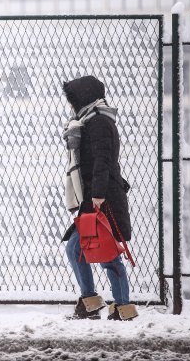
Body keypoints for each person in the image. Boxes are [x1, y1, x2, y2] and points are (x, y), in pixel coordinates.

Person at [61, 76, 137, 321]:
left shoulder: (100, 123)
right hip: (95, 197)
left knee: (106, 253)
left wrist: (98, 196)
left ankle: (120, 308)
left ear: (84, 97)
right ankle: (94, 302)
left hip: (103, 199)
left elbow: (103, 161)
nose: (71, 105)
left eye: (74, 99)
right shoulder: (89, 121)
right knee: (79, 248)